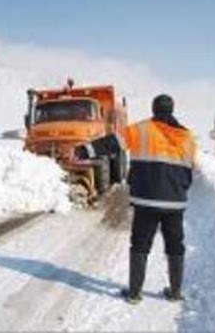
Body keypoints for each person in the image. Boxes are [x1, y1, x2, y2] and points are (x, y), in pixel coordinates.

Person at [74, 94, 197, 304]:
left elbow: (111, 143)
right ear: (172, 109)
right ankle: (175, 292)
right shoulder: (188, 137)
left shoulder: (141, 130)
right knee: (175, 246)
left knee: (140, 245)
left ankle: (134, 294)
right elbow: (189, 171)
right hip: (175, 203)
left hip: (147, 201)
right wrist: (178, 190)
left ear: (154, 109)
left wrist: (84, 150)